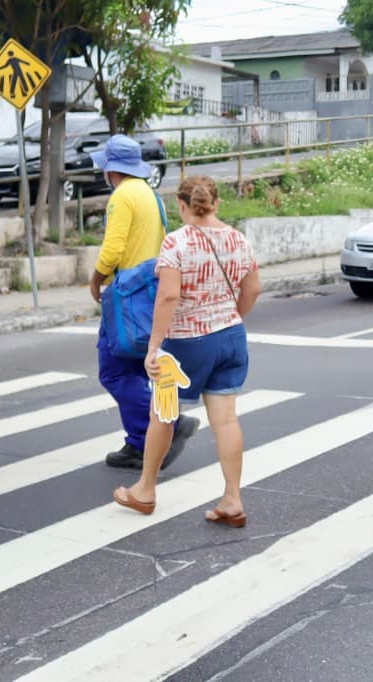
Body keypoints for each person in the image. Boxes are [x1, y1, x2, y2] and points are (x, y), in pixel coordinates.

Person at [113, 176, 261, 524]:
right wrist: (232, 316)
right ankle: (232, 499)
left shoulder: (176, 243)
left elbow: (167, 296)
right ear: (217, 203)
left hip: (186, 343)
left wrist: (152, 348)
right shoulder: (238, 239)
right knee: (225, 419)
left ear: (181, 205)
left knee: (162, 415)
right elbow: (254, 288)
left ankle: (145, 490)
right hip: (231, 338)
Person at [89, 134, 197, 471]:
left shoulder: (122, 196)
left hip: (124, 297)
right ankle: (141, 440)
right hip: (147, 295)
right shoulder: (151, 196)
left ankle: (165, 427)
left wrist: (96, 279)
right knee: (135, 369)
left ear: (111, 169)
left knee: (113, 371)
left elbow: (114, 248)